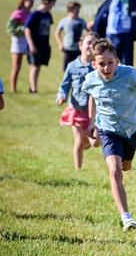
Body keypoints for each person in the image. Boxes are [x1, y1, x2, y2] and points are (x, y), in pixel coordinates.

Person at [82, 38, 136, 230]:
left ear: (117, 60)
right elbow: (92, 96)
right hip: (108, 131)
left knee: (125, 167)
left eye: (110, 62)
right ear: (94, 64)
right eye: (101, 64)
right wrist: (92, 122)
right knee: (115, 170)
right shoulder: (91, 80)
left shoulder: (130, 75)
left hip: (131, 130)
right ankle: (127, 218)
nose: (107, 67)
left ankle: (127, 160)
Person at [56, 32, 99, 169]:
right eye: (88, 43)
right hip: (76, 110)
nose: (91, 46)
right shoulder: (72, 66)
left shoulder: (98, 67)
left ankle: (86, 144)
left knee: (93, 143)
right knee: (79, 140)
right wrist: (61, 96)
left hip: (93, 112)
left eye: (94, 44)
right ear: (80, 45)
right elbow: (65, 85)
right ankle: (78, 169)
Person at [25, 0, 56, 93]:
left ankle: (33, 86)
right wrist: (31, 45)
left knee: (38, 66)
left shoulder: (47, 14)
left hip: (44, 45)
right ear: (47, 2)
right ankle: (33, 89)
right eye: (52, 3)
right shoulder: (36, 14)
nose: (53, 5)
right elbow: (27, 29)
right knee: (34, 66)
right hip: (35, 45)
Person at [7, 0, 34, 92]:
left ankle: (32, 87)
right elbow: (10, 29)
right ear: (24, 1)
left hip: (28, 42)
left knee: (32, 65)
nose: (31, 3)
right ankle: (13, 89)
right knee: (16, 66)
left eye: (32, 1)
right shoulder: (17, 13)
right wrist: (24, 28)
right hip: (18, 42)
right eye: (29, 1)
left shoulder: (31, 14)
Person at [55, 1, 88, 71]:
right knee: (67, 69)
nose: (78, 11)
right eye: (76, 9)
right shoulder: (64, 21)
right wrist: (60, 44)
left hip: (78, 49)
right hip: (68, 48)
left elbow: (88, 31)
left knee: (78, 68)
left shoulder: (81, 21)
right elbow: (57, 33)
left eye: (79, 9)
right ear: (70, 10)